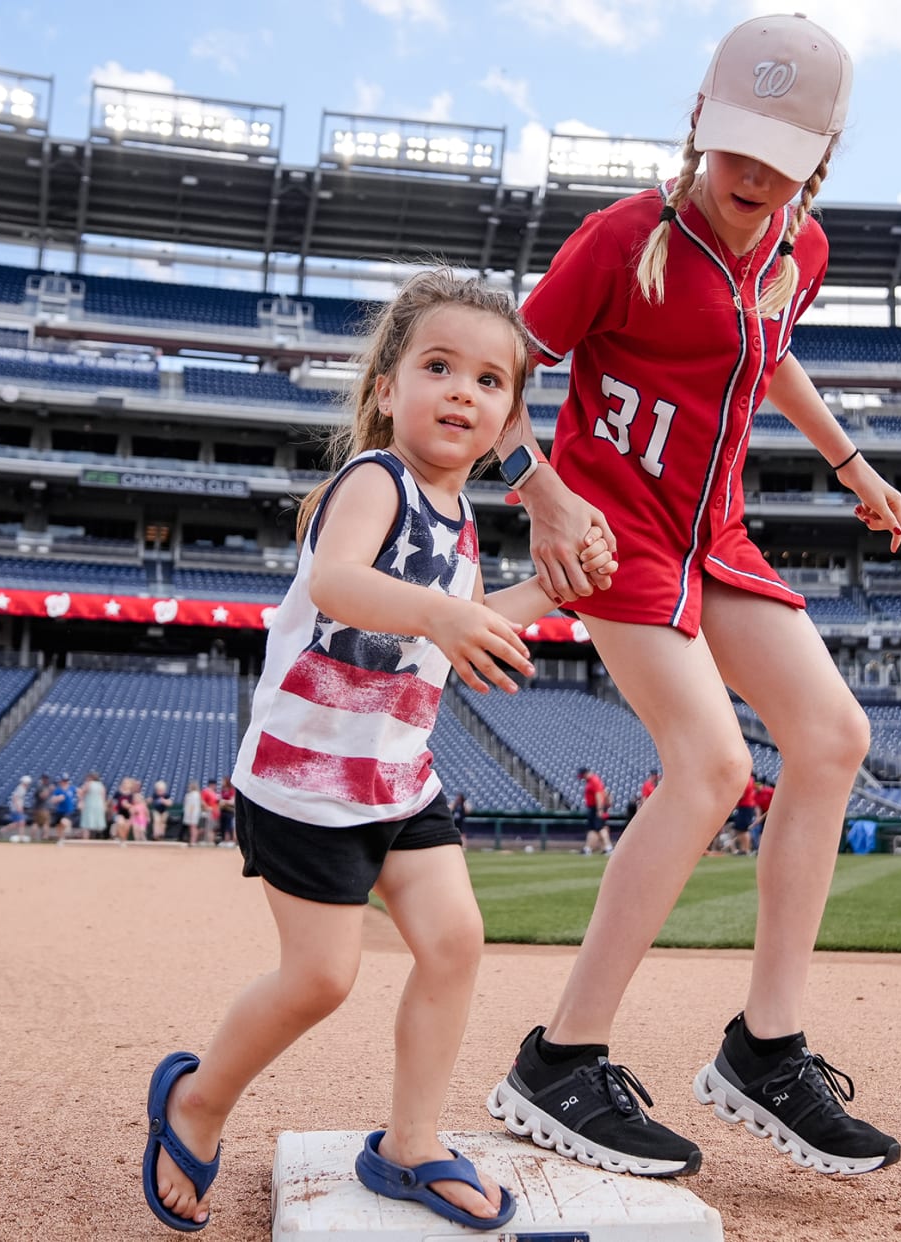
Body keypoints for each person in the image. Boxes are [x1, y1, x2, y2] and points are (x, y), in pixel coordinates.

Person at [484, 15, 901, 1181]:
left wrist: (847, 460)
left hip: (713, 533)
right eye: (734, 143)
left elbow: (769, 355)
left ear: (819, 158)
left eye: (781, 151)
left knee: (831, 735)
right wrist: (542, 493)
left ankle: (767, 1049)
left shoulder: (797, 254)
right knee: (713, 767)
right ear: (698, 127)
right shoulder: (624, 237)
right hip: (618, 537)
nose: (751, 172)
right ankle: (560, 1059)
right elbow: (497, 372)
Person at [143, 268, 612, 1233]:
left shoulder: (464, 522)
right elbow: (344, 584)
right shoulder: (374, 481)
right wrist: (442, 612)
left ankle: (410, 1141)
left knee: (455, 941)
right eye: (439, 367)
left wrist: (559, 591)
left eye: (490, 383)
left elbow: (466, 622)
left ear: (508, 416)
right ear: (387, 386)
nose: (462, 393)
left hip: (398, 779)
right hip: (303, 786)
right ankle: (196, 1096)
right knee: (321, 978)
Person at [578, 767, 609, 855]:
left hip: (596, 807)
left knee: (600, 828)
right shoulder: (591, 781)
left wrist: (599, 809)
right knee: (592, 829)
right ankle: (588, 848)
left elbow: (599, 795)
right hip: (593, 808)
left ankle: (608, 847)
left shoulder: (594, 780)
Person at [730, 776, 759, 855]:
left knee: (743, 829)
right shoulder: (750, 779)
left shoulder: (747, 779)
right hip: (744, 806)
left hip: (746, 806)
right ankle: (743, 849)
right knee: (739, 829)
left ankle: (746, 849)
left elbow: (741, 794)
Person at [750, 779, 776, 856]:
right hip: (765, 814)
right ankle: (761, 850)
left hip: (774, 812)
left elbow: (776, 801)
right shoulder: (756, 795)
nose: (757, 787)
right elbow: (758, 807)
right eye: (755, 786)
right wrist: (758, 818)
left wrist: (770, 812)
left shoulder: (770, 791)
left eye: (758, 785)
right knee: (762, 832)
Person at [182, 779, 205, 847]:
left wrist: (191, 814)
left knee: (193, 828)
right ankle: (192, 840)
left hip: (192, 814)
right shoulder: (193, 794)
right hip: (191, 813)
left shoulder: (194, 795)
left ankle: (193, 841)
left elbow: (192, 805)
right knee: (192, 828)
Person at [9, 775, 31, 840]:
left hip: (16, 808)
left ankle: (0, 831)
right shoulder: (21, 788)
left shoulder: (22, 788)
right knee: (22, 822)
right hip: (16, 808)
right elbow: (14, 798)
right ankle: (21, 837)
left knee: (18, 823)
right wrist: (18, 807)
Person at [216, 777, 237, 846]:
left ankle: (230, 840)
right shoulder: (223, 791)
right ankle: (224, 840)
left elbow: (232, 801)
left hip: (229, 811)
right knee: (223, 826)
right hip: (223, 810)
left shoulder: (231, 790)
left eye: (223, 781)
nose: (222, 782)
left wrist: (224, 802)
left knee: (229, 826)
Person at [32, 774, 53, 840]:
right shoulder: (41, 787)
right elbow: (42, 796)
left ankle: (33, 838)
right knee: (45, 823)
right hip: (42, 808)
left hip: (37, 808)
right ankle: (45, 837)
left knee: (36, 823)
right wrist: (49, 790)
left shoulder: (41, 786)